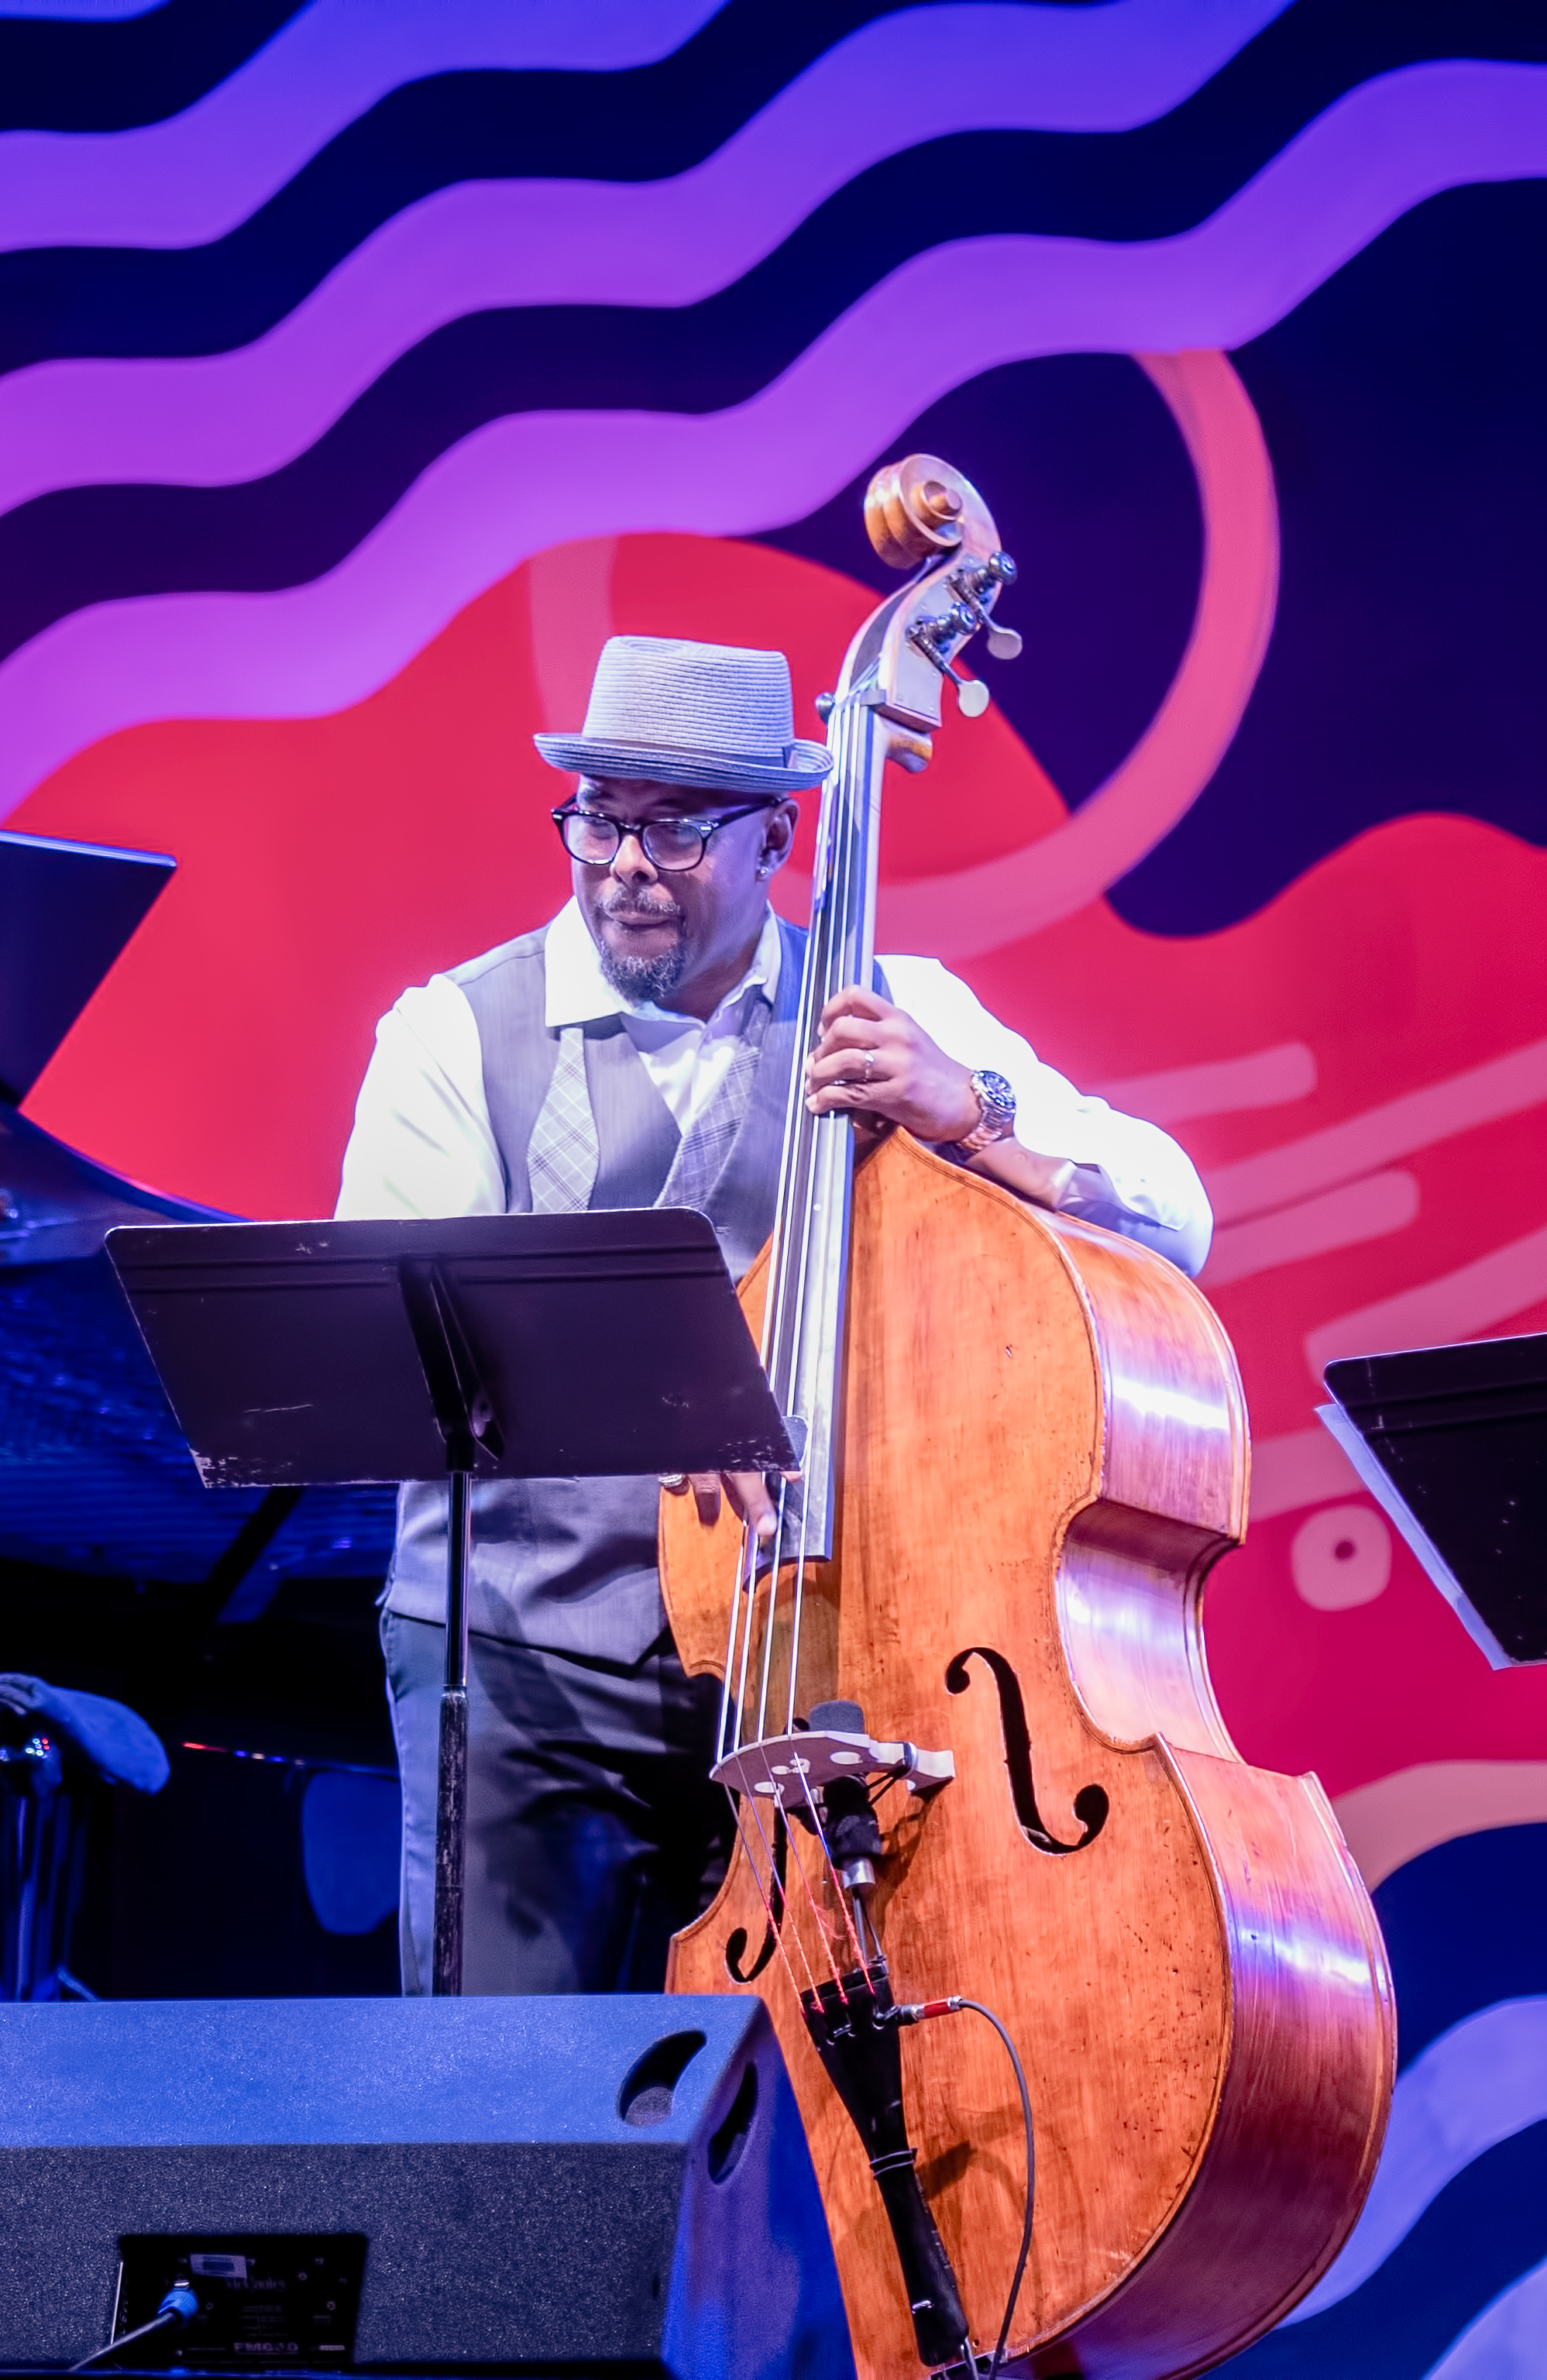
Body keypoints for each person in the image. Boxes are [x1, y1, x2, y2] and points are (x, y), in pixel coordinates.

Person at [336, 633, 1210, 1994]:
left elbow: (1176, 1215)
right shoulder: (451, 1032)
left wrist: (971, 1115)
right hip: (523, 1660)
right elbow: (421, 1327)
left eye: (676, 830)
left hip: (812, 1656)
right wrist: (682, 1396)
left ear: (777, 836)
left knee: (782, 2135)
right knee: (497, 2116)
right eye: (600, 819)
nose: (624, 862)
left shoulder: (888, 1006)